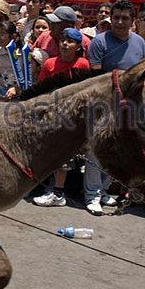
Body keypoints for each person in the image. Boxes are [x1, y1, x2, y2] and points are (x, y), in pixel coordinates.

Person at [84, 0, 145, 216]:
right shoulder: (99, 42)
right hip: (103, 106)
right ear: (110, 18)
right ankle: (91, 195)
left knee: (117, 152)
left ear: (133, 21)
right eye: (116, 17)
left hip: (129, 108)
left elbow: (140, 75)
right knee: (97, 152)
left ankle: (102, 190)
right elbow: (96, 78)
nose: (119, 22)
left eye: (125, 18)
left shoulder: (139, 43)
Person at [32, 28, 90, 207]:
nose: (65, 43)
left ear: (78, 46)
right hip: (50, 112)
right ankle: (41, 185)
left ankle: (58, 192)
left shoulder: (82, 64)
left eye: (70, 41)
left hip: (70, 115)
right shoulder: (49, 63)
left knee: (64, 156)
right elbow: (41, 88)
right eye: (63, 39)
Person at [0, 21, 20, 98]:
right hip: (1, 91)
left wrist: (16, 88)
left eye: (2, 34)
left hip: (18, 91)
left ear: (13, 36)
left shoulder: (22, 53)